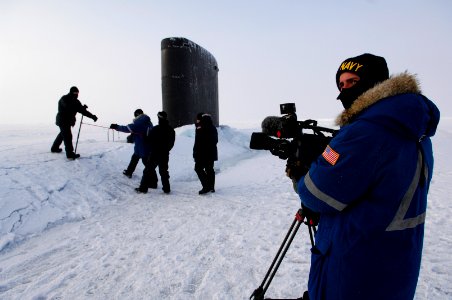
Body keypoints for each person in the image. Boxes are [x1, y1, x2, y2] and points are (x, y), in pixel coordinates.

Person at [287, 53, 440, 300]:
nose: (344, 91)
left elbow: (316, 195)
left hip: (353, 267)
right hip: (396, 264)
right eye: (341, 84)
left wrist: (302, 173)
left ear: (376, 83)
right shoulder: (417, 132)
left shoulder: (366, 131)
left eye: (353, 81)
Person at [51, 86, 98, 160]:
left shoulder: (76, 101)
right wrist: (79, 107)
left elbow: (83, 111)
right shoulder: (64, 98)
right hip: (62, 120)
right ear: (71, 92)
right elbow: (67, 107)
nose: (76, 94)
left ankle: (54, 148)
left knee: (63, 134)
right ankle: (70, 154)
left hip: (68, 121)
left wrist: (92, 116)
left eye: (77, 93)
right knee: (67, 136)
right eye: (75, 92)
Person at [136, 111, 175, 194]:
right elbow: (171, 143)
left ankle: (143, 188)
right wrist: (166, 150)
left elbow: (149, 140)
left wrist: (144, 137)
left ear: (159, 118)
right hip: (164, 154)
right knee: (163, 171)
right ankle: (167, 189)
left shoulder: (156, 129)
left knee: (148, 170)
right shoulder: (171, 130)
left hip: (155, 153)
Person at [109, 109, 153, 178]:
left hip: (143, 147)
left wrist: (116, 126)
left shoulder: (140, 121)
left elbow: (128, 128)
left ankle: (153, 182)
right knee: (134, 159)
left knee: (148, 165)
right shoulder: (147, 121)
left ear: (137, 114)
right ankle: (129, 172)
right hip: (141, 146)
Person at [193, 113, 218, 195]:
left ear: (200, 119)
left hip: (202, 153)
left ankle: (206, 186)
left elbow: (198, 142)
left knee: (198, 168)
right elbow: (215, 140)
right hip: (211, 153)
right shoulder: (212, 127)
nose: (196, 120)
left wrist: (196, 153)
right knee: (209, 169)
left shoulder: (201, 127)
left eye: (197, 119)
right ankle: (211, 187)